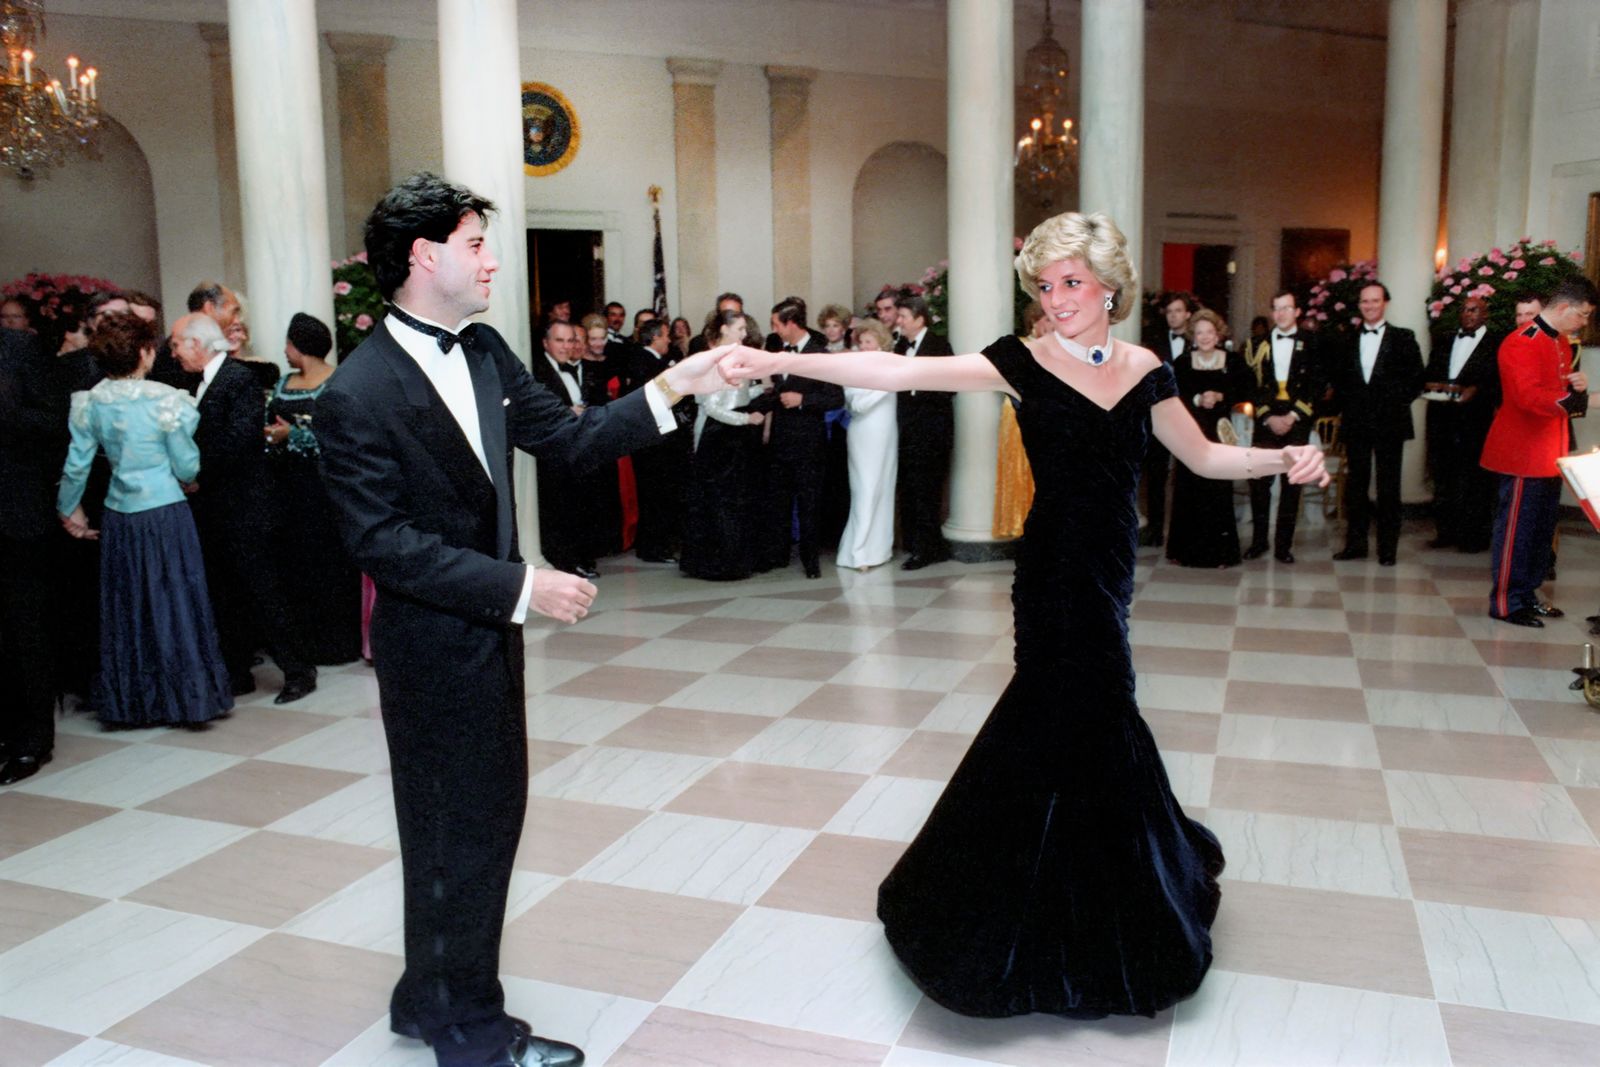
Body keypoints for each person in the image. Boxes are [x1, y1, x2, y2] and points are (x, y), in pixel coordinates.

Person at [724, 211, 1326, 1021]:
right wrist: (769, 355)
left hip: (1111, 567)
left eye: (1072, 281)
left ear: (1111, 287)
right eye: (1045, 285)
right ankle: (1030, 905)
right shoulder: (1021, 361)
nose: (1058, 297)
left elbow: (1206, 455)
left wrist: (1284, 457)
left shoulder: (1147, 367)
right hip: (1052, 570)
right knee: (1076, 707)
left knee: (1091, 710)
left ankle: (1107, 884)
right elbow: (900, 376)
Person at [315, 172, 731, 1067]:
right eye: (474, 243)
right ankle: (468, 1033)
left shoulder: (489, 349)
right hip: (431, 644)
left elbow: (573, 439)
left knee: (478, 824)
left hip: (486, 642)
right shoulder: (357, 392)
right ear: (425, 256)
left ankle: (425, 996)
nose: (492, 258)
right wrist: (521, 585)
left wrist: (676, 385)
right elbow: (382, 542)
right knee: (455, 832)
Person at [56, 313, 233, 729]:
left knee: (130, 606)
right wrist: (187, 477)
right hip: (166, 511)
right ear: (144, 352)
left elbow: (77, 464)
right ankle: (188, 699)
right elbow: (187, 464)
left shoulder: (91, 401)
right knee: (176, 602)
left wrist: (69, 509)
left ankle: (135, 700)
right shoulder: (166, 399)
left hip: (121, 513)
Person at [172, 313, 318, 703]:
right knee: (225, 593)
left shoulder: (239, 379)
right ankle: (237, 672)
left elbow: (240, 440)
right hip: (214, 508)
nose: (173, 353)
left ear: (198, 345)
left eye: (177, 345)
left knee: (264, 590)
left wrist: (196, 471)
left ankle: (298, 670)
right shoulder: (192, 381)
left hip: (246, 506)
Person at [1481, 274, 1596, 627]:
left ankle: (1527, 593)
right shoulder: (1520, 341)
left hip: (1550, 451)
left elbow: (1555, 384)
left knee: (1541, 531)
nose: (1585, 322)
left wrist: (1577, 383)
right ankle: (1505, 602)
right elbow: (1527, 397)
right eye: (1583, 314)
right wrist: (1578, 401)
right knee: (1516, 530)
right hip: (1522, 453)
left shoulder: (1560, 341)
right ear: (1563, 307)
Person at [264, 312, 362, 665]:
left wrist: (295, 435)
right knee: (295, 563)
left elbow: (341, 438)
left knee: (329, 562)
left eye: (288, 342)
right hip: (286, 487)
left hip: (324, 488)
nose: (284, 349)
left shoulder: (338, 381)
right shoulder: (283, 382)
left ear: (297, 345)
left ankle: (338, 643)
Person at [0, 323, 63, 781]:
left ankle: (32, 739)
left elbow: (55, 421)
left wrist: (8, 411)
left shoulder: (19, 347)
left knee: (25, 629)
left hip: (16, 513)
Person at [1328, 282, 1425, 566]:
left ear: (1385, 303)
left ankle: (1387, 550)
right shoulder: (1346, 338)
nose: (1369, 305)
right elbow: (1340, 380)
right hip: (1356, 423)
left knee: (1388, 488)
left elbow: (1416, 380)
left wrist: (1391, 405)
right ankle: (1355, 545)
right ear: (1359, 305)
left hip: (1390, 424)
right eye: (1365, 301)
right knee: (1355, 486)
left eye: (1375, 300)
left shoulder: (1404, 338)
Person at [681, 310, 767, 581]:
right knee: (718, 499)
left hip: (733, 438)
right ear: (724, 329)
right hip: (717, 437)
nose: (744, 333)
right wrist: (746, 418)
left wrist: (761, 390)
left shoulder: (735, 358)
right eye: (740, 328)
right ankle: (717, 562)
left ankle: (735, 559)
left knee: (734, 498)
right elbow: (713, 407)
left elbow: (735, 394)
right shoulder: (710, 361)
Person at [1168, 309, 1254, 568]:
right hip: (1190, 432)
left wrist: (1221, 398)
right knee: (1188, 486)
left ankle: (1220, 554)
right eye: (1199, 332)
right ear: (1193, 335)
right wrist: (1197, 399)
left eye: (1209, 332)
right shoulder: (1182, 362)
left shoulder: (1233, 361)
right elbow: (1173, 395)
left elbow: (1248, 389)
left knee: (1217, 490)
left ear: (1218, 334)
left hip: (1220, 433)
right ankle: (1185, 552)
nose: (1204, 337)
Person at [761, 296, 840, 578]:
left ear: (791, 323)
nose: (774, 329)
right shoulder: (780, 351)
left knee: (809, 502)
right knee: (778, 500)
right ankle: (777, 554)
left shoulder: (821, 355)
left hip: (808, 442)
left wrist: (803, 399)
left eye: (776, 324)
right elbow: (775, 394)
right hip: (781, 439)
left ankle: (810, 560)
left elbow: (835, 398)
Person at [1246, 290, 1322, 563]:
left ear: (1297, 312)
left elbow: (1317, 385)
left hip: (1297, 421)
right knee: (1259, 484)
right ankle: (1258, 542)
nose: (1281, 314)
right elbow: (1250, 385)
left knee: (1292, 486)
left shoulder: (1313, 343)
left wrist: (1292, 417)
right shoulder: (1256, 344)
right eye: (1276, 309)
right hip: (1267, 421)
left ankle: (1282, 546)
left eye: (1287, 308)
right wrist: (1267, 416)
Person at [1423, 294, 1501, 552]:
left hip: (1475, 421)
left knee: (1475, 479)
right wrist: (1433, 384)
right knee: (1444, 475)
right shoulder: (1445, 338)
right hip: (1441, 418)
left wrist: (1476, 389)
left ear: (1485, 315)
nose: (1468, 314)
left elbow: (1498, 383)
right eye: (1465, 310)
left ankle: (1474, 537)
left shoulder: (1495, 343)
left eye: (1474, 310)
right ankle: (1445, 532)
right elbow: (1431, 371)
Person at [894, 294, 954, 569]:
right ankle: (924, 544)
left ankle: (926, 549)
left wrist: (918, 386)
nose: (899, 321)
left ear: (920, 319)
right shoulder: (899, 346)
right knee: (912, 489)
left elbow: (952, 385)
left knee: (927, 491)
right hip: (908, 432)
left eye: (903, 317)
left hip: (932, 432)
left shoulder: (939, 345)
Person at [835, 317, 897, 570]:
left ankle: (880, 549)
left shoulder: (891, 367)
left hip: (887, 433)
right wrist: (886, 385)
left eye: (869, 341)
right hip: (864, 435)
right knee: (866, 489)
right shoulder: (853, 368)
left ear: (881, 343)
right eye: (862, 342)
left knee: (884, 488)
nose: (865, 346)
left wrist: (888, 381)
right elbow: (857, 405)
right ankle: (857, 553)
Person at [1138, 290, 1197, 546]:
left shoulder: (1199, 340)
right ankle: (1155, 528)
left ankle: (1186, 530)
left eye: (1178, 311)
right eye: (1170, 312)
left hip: (1191, 417)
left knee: (1190, 472)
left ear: (1188, 314)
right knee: (1156, 473)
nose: (1173, 316)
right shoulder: (1154, 341)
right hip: (1160, 415)